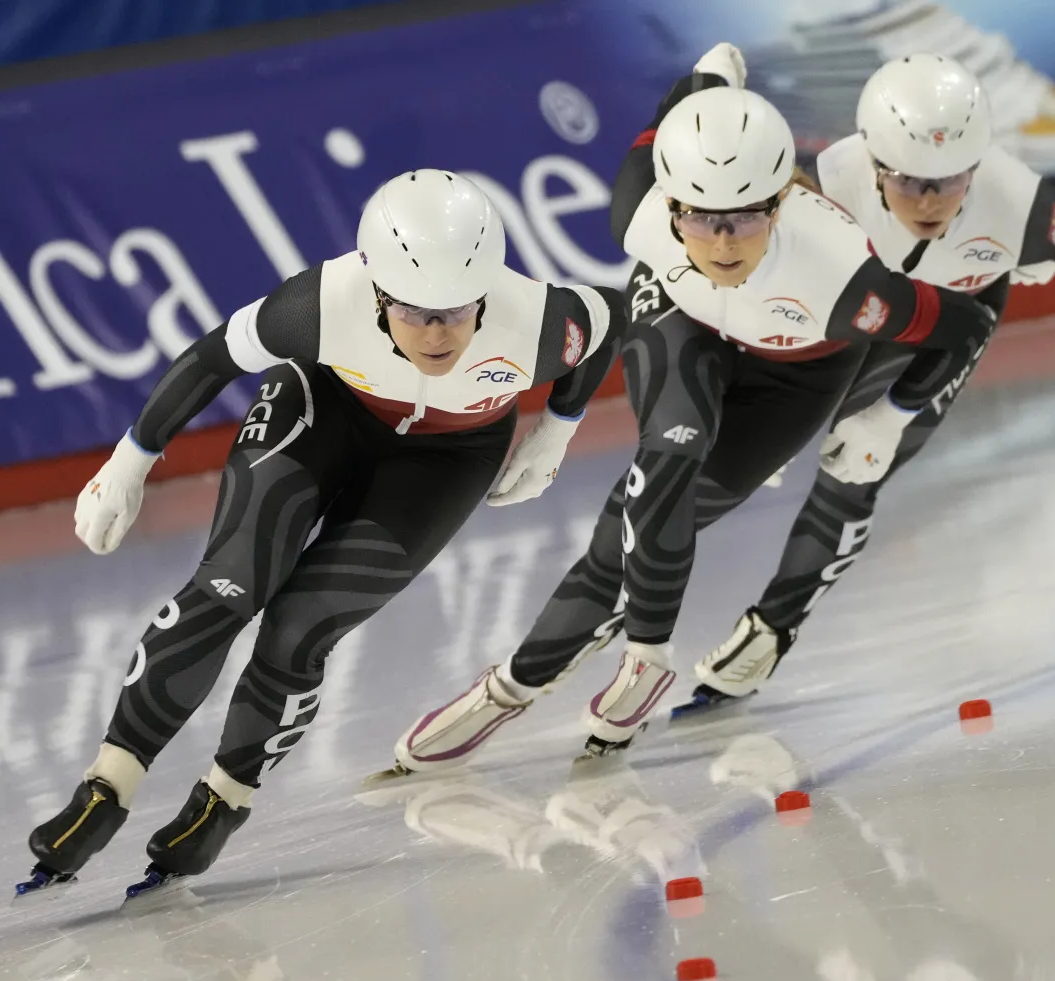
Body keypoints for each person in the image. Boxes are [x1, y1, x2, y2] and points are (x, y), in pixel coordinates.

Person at [380, 43, 997, 775]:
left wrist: (889, 416)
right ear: (669, 204)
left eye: (746, 219)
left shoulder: (847, 281)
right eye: (700, 219)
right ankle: (634, 660)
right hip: (685, 322)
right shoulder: (635, 212)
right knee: (669, 454)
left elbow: (966, 328)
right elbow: (684, 98)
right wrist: (710, 79)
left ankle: (518, 680)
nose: (725, 242)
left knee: (624, 535)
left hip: (797, 375)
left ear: (780, 204)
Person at [16, 169, 625, 896]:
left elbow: (610, 322)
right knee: (228, 586)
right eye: (413, 312)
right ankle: (105, 788)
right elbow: (213, 357)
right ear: (375, 291)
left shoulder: (534, 319)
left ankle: (222, 803)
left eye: (458, 312)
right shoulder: (319, 304)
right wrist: (130, 461)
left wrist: (556, 430)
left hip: (447, 458)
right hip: (323, 411)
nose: (438, 334)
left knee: (301, 630)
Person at [681, 54, 1055, 711]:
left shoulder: (1027, 210)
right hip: (850, 316)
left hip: (946, 328)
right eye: (906, 181)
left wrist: (891, 418)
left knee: (856, 470)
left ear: (978, 166)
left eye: (949, 181)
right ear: (871, 165)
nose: (928, 202)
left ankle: (774, 628)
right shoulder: (830, 181)